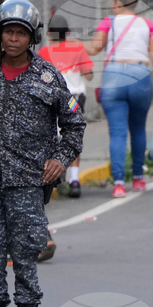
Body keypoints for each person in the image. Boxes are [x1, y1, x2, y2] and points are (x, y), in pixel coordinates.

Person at [0, 0, 85, 307]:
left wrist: (60, 159)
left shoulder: (48, 77)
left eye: (20, 33)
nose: (13, 39)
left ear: (32, 38)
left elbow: (74, 124)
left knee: (27, 256)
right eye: (8, 32)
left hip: (27, 184)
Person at [87, 0, 153, 198]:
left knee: (118, 132)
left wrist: (71, 42)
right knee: (138, 129)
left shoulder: (108, 22)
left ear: (116, 3)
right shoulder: (148, 25)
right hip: (140, 76)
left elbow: (94, 49)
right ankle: (139, 179)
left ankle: (120, 183)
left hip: (113, 76)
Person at [38, 15, 93, 198]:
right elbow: (89, 74)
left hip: (51, 100)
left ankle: (52, 176)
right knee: (73, 136)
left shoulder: (44, 53)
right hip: (74, 99)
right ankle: (74, 179)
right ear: (68, 33)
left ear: (48, 33)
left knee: (52, 137)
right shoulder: (77, 48)